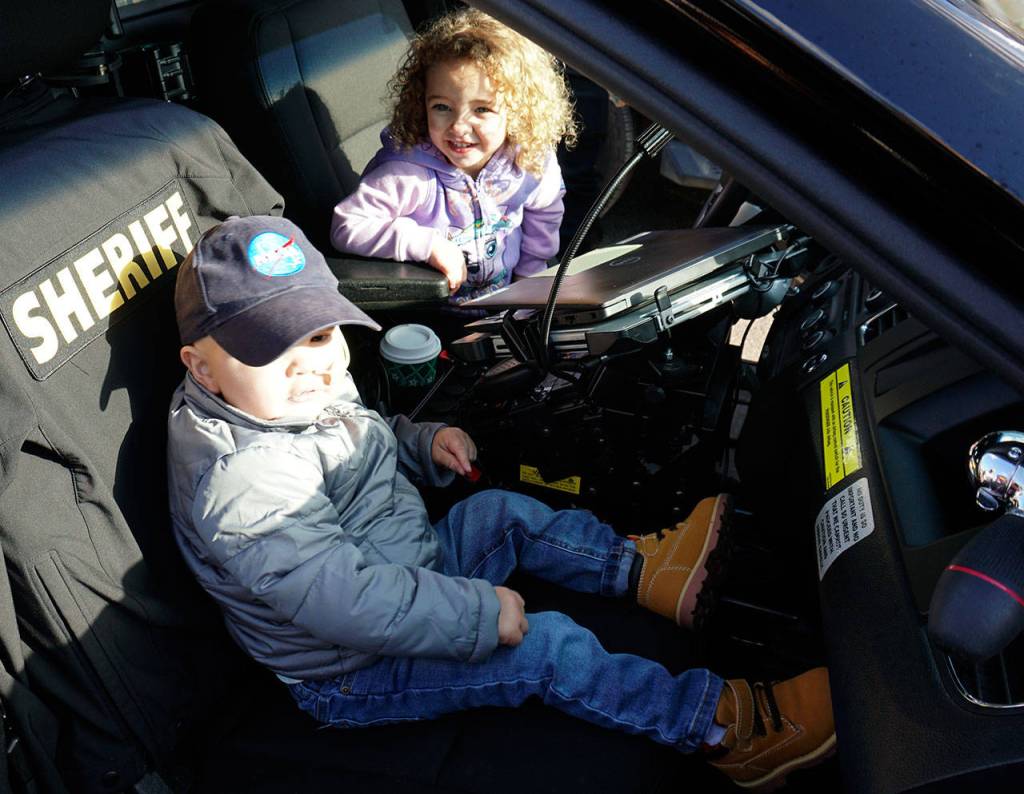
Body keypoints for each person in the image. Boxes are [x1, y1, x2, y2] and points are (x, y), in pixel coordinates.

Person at [167, 215, 836, 791]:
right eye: (271, 348)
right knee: (543, 647)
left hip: (410, 563)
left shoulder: (291, 396)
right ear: (201, 367)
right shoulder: (242, 485)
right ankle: (721, 727)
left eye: (317, 334)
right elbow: (350, 602)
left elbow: (359, 447)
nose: (309, 363)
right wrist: (477, 614)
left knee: (500, 514)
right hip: (355, 666)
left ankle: (644, 571)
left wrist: (421, 444)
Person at [330, 7, 576, 304]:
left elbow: (545, 212)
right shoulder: (408, 174)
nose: (459, 127)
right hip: (433, 317)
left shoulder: (529, 162)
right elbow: (347, 225)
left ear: (519, 111)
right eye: (442, 107)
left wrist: (529, 282)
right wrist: (427, 245)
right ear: (422, 104)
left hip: (507, 307)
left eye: (482, 109)